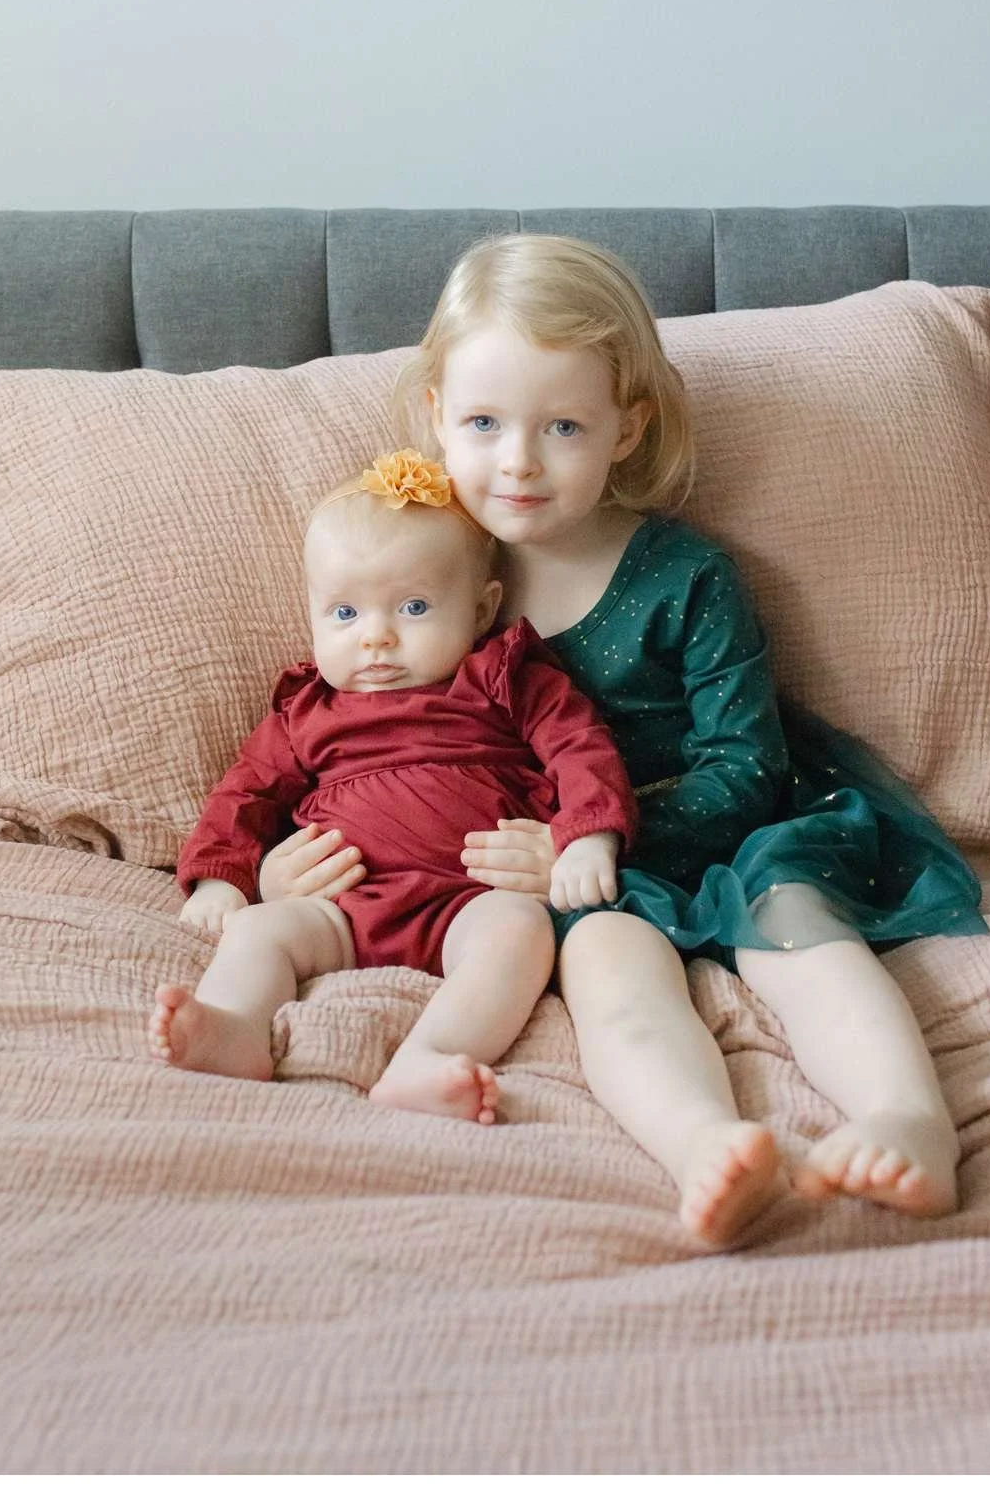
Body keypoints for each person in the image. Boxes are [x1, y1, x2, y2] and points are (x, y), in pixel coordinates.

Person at [265, 234, 988, 1249]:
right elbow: (356, 749)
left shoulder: (684, 574)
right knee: (610, 971)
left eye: (562, 424)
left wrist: (586, 836)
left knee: (798, 924)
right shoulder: (419, 586)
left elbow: (750, 762)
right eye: (483, 422)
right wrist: (278, 860)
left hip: (735, 823)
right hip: (586, 890)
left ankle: (911, 1121)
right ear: (435, 417)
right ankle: (704, 1145)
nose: (517, 459)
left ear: (624, 428)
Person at [148, 449, 638, 1127]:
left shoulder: (503, 676)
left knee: (522, 932)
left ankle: (429, 1055)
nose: (376, 637)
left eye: (412, 606)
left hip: (469, 902)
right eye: (344, 613)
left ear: (480, 608)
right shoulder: (306, 710)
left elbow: (580, 746)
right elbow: (243, 795)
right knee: (261, 930)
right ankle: (234, 1026)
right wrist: (224, 881)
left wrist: (586, 836)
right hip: (342, 910)